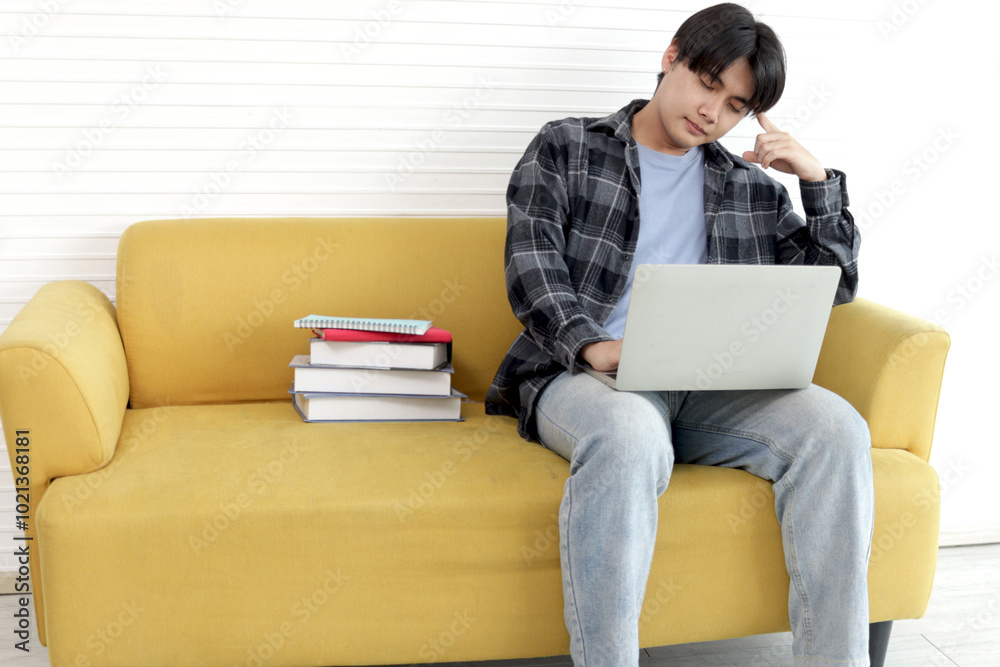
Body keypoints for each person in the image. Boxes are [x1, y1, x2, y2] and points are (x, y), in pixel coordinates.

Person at [484, 3, 875, 666]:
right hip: (586, 376)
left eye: (734, 105)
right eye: (705, 80)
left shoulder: (750, 189)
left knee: (837, 427)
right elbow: (532, 262)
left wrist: (818, 183)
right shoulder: (568, 145)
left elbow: (829, 287)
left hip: (711, 386)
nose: (710, 111)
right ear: (672, 55)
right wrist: (590, 342)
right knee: (632, 434)